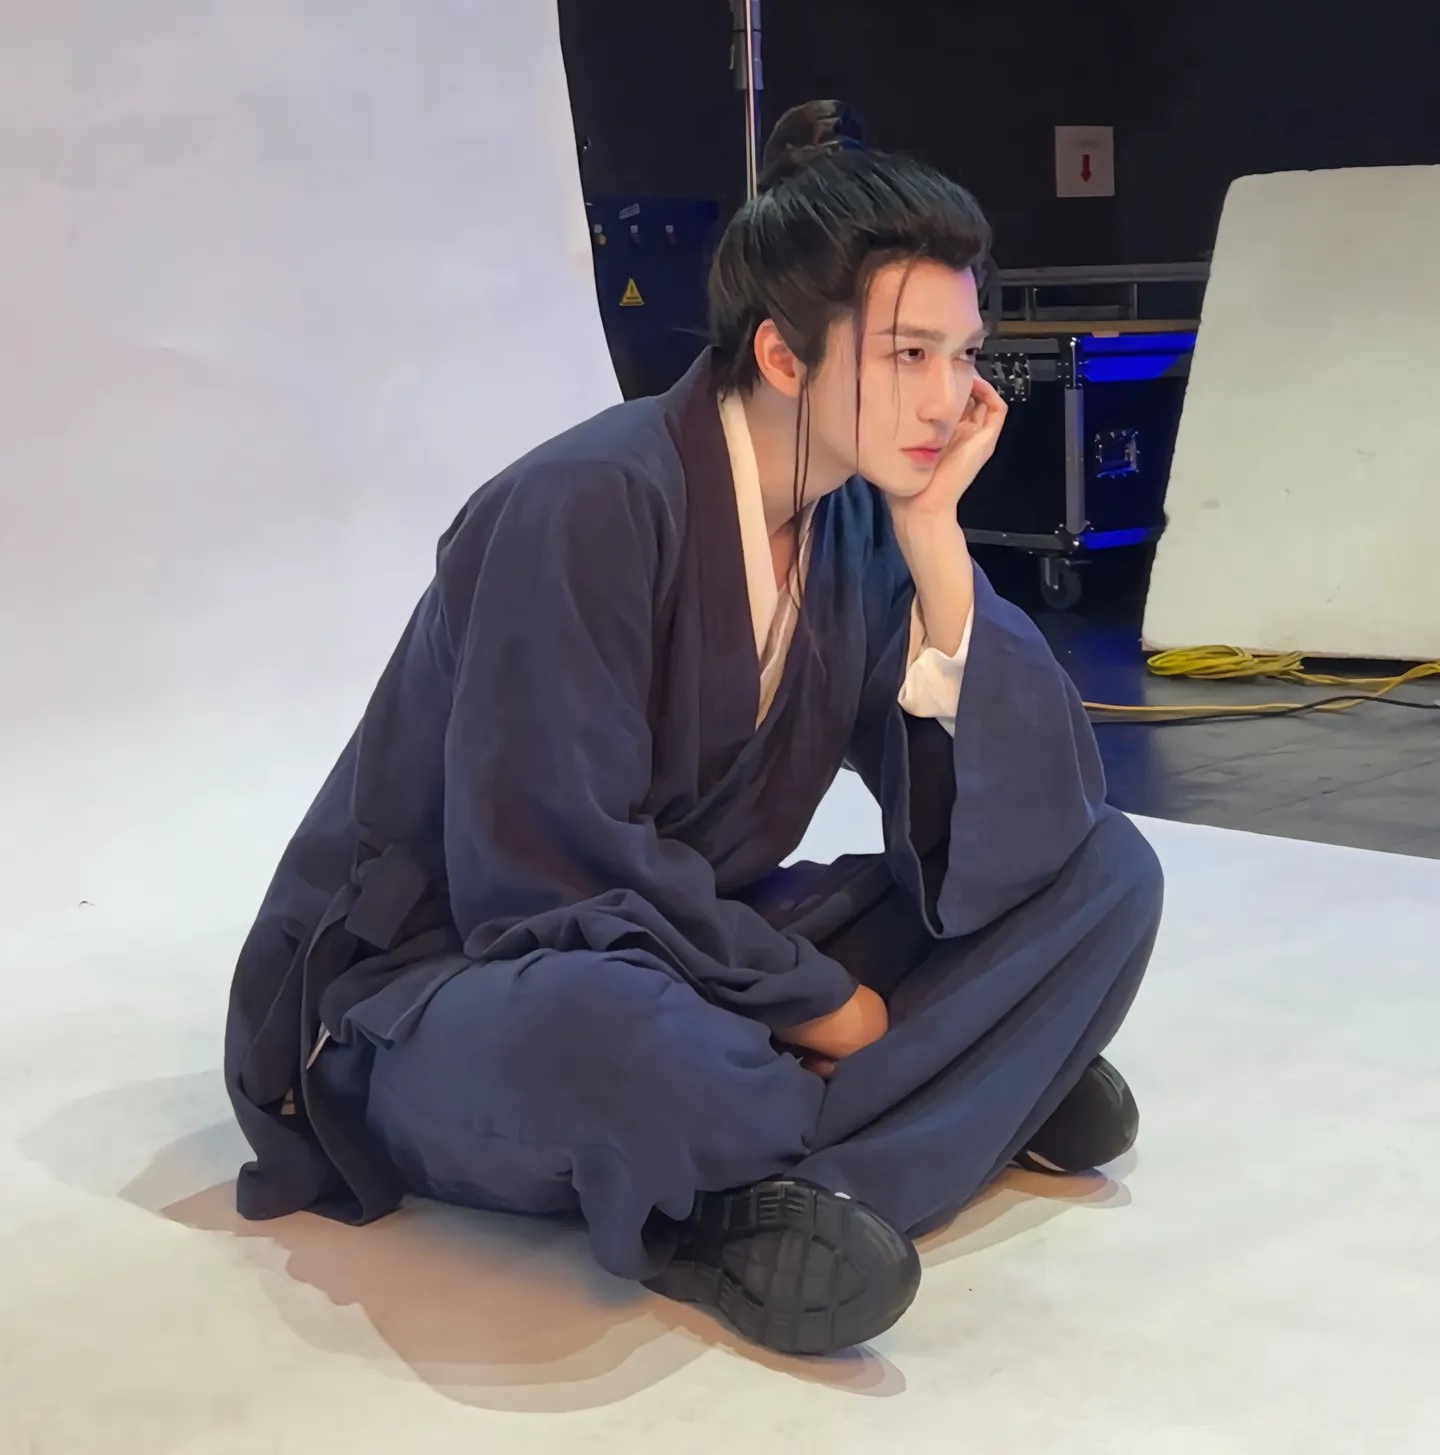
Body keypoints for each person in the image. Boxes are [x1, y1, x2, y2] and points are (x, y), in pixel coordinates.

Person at [225, 135, 1164, 1359]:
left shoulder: (858, 526)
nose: (950, 398)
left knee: (1110, 876)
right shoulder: (585, 503)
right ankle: (959, 1098)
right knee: (617, 1044)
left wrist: (937, 543)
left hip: (691, 946)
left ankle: (771, 1177)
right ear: (782, 354)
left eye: (964, 355)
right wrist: (831, 1009)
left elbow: (1026, 828)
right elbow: (545, 872)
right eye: (908, 355)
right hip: (463, 982)